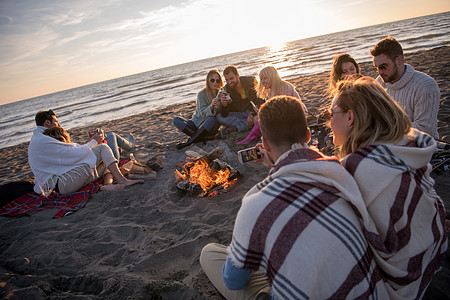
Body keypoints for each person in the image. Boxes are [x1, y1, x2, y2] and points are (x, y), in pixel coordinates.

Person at [200, 96, 389, 299]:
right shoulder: (341, 173)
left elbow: (233, 281)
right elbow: (298, 179)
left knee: (210, 253)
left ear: (264, 143)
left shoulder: (256, 203)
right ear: (308, 135)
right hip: (370, 291)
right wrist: (275, 165)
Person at [327, 76, 447, 299]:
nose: (329, 123)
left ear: (350, 117)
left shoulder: (356, 171)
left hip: (404, 279)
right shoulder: (404, 147)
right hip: (432, 248)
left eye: (330, 115)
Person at [28, 110, 143, 196]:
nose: (59, 125)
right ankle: (123, 180)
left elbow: (68, 155)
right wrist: (93, 142)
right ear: (47, 123)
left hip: (63, 183)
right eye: (56, 122)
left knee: (105, 162)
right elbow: (73, 154)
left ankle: (108, 184)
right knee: (103, 147)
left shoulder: (39, 138)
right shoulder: (43, 140)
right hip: (65, 183)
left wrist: (91, 144)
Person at [370, 35, 440, 138]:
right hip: (389, 144)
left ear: (399, 60)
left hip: (422, 147)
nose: (379, 72)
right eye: (376, 68)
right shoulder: (379, 84)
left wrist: (384, 130)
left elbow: (425, 130)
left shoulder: (425, 86)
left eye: (383, 67)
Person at [236, 66, 306, 144]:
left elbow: (287, 107)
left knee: (264, 120)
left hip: (296, 112)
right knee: (259, 118)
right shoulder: (270, 92)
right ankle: (253, 137)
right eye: (261, 79)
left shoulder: (284, 87)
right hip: (283, 114)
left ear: (273, 78)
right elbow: (274, 108)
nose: (262, 81)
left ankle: (251, 138)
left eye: (265, 78)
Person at [174, 69, 223, 149]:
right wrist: (211, 105)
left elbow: (220, 114)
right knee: (176, 120)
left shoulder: (221, 94)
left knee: (212, 119)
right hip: (195, 124)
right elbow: (202, 114)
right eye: (212, 80)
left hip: (209, 127)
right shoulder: (201, 94)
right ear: (208, 81)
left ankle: (189, 142)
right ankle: (199, 137)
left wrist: (222, 104)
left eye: (217, 80)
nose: (215, 83)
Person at [216, 65, 264, 132]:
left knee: (262, 111)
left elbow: (261, 99)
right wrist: (225, 105)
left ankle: (245, 125)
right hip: (241, 114)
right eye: (227, 80)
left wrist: (252, 114)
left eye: (231, 78)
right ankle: (248, 125)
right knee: (219, 117)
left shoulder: (251, 81)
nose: (229, 82)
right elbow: (225, 114)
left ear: (237, 76)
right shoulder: (226, 89)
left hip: (253, 111)